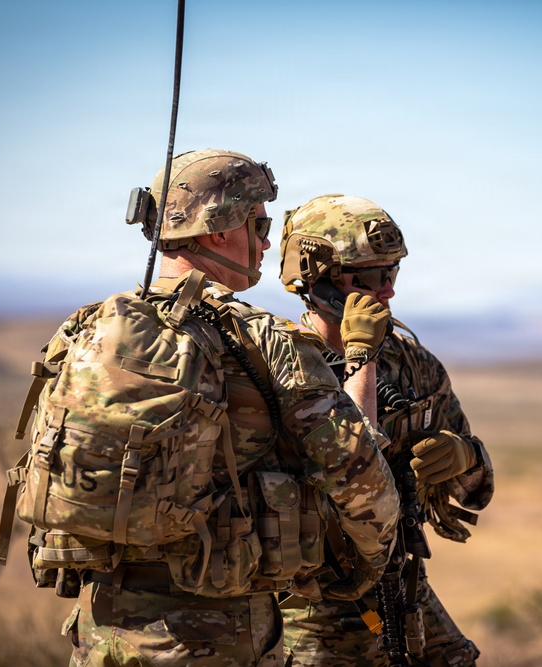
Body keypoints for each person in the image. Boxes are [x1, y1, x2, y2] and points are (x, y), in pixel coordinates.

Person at [42, 153, 400, 666]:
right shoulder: (265, 340)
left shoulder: (84, 330)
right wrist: (360, 571)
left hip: (100, 630)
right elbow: (362, 478)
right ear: (216, 231)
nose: (267, 242)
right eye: (259, 223)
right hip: (220, 636)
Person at [278, 194, 495, 666]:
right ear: (318, 279)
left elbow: (475, 495)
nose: (388, 291)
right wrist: (362, 359)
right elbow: (349, 468)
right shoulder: (275, 364)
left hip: (402, 588)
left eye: (392, 272)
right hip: (311, 605)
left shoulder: (414, 364)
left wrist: (466, 459)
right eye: (370, 277)